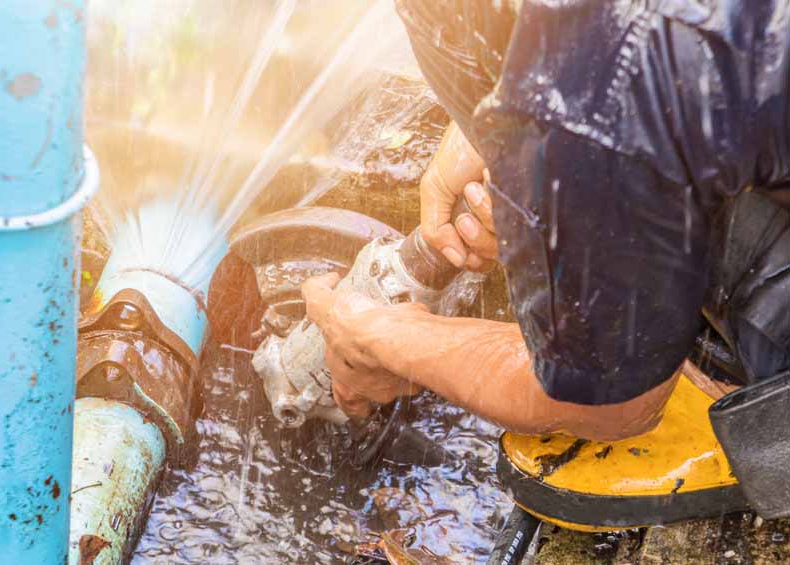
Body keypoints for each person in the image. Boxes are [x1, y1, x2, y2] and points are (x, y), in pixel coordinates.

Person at [301, 0, 790, 442]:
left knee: (729, 300)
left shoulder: (600, 85)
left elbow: (607, 404)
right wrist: (491, 125)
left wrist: (379, 339)